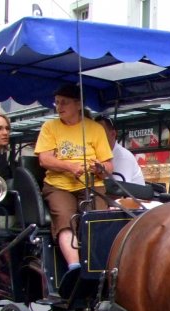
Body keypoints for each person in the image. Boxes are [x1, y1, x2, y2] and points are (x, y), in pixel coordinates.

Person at [34, 83, 113, 291]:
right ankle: (75, 266)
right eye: (57, 102)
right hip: (59, 185)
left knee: (98, 219)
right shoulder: (50, 128)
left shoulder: (95, 129)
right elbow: (44, 159)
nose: (59, 107)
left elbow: (108, 166)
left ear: (78, 104)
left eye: (64, 102)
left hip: (91, 183)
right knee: (64, 216)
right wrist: (69, 166)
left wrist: (99, 168)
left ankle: (99, 267)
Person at [95, 115, 145, 184]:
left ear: (113, 134)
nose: (97, 137)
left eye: (101, 133)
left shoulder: (123, 156)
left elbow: (118, 190)